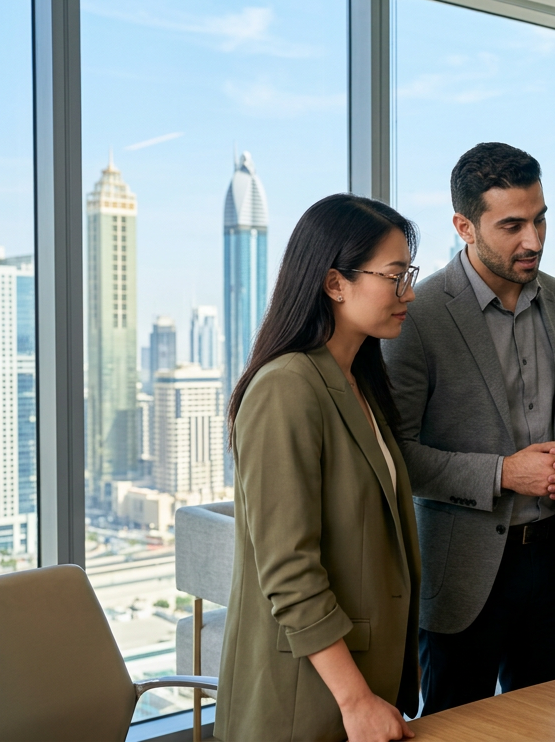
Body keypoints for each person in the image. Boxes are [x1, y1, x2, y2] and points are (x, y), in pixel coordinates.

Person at [383, 142, 555, 713]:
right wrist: (503, 474)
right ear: (464, 227)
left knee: (551, 724)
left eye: (540, 219)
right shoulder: (417, 315)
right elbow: (396, 456)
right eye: (512, 226)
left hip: (552, 563)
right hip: (461, 575)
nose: (534, 240)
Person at [215, 194, 422, 742]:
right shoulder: (286, 387)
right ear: (335, 283)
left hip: (361, 685)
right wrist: (356, 699)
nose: (409, 293)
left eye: (409, 275)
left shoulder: (357, 382)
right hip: (305, 699)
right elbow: (289, 571)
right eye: (395, 277)